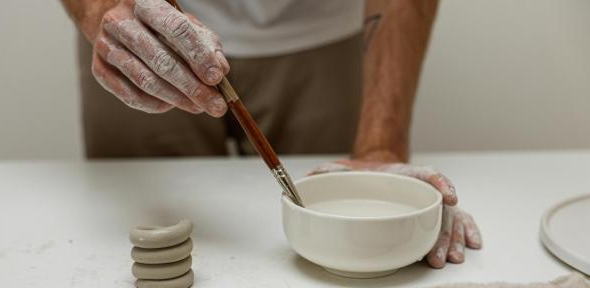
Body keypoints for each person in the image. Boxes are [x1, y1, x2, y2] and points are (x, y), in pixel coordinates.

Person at [60, 0, 482, 268]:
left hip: (323, 34)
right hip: (142, 29)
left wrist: (380, 149)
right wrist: (99, 9)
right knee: (126, 242)